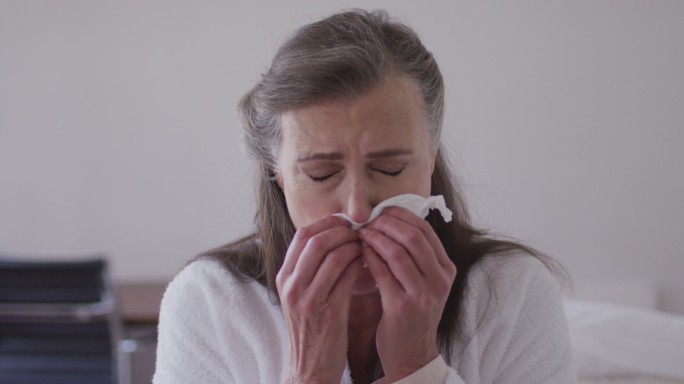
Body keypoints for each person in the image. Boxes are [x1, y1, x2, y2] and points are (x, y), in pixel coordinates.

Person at [153, 9, 576, 384]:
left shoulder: (513, 292)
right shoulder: (210, 301)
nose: (358, 208)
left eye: (390, 169)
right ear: (278, 175)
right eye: (320, 174)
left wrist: (417, 366)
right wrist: (309, 376)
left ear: (430, 157)